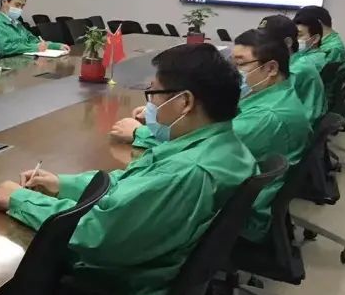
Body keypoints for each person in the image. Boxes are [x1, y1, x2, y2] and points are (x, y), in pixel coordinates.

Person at [0, 44, 255, 295]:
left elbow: (95, 233)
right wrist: (62, 184)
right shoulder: (219, 146)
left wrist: (21, 200)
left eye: (154, 94)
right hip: (158, 276)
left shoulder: (187, 172)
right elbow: (130, 182)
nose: (151, 104)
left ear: (185, 102)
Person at [112, 30, 308, 242]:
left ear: (271, 68)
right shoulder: (270, 97)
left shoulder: (266, 117)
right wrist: (168, 106)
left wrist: (139, 132)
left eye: (240, 64)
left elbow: (199, 136)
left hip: (238, 226)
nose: (234, 72)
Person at [260, 14, 327, 121]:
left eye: (266, 41)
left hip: (299, 122)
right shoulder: (294, 60)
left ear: (287, 43)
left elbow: (269, 104)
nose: (258, 46)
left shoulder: (296, 69)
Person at [0, 0, 69, 57]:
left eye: (22, 6)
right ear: (4, 1)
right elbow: (4, 49)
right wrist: (34, 47)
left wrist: (56, 46)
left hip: (23, 61)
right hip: (6, 66)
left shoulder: (17, 24)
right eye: (17, 5)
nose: (20, 9)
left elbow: (34, 41)